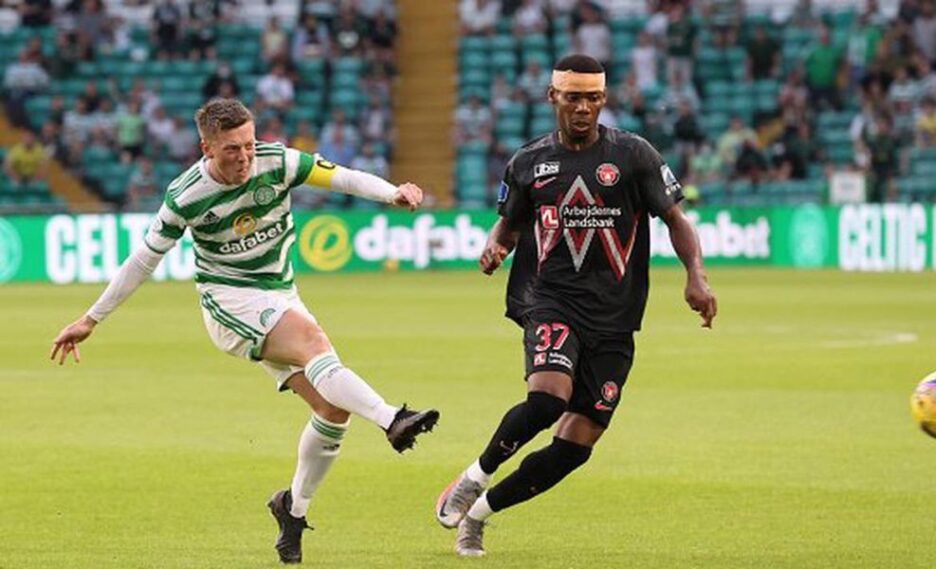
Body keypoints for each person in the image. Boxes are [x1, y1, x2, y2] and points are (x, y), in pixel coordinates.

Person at [49, 98, 440, 565]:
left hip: (281, 293)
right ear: (207, 148)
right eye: (232, 149)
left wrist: (392, 193)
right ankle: (393, 419)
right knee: (315, 345)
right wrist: (92, 318)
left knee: (333, 409)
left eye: (249, 144)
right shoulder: (186, 195)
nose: (245, 157)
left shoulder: (278, 161)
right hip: (230, 300)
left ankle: (293, 509)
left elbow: (342, 178)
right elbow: (143, 260)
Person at [434, 55, 717, 557]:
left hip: (615, 317)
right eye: (573, 98)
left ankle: (479, 515)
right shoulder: (528, 162)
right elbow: (510, 224)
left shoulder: (634, 155)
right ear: (553, 98)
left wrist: (696, 274)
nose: (583, 107)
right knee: (547, 399)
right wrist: (496, 246)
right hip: (552, 300)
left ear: (603, 99)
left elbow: (676, 219)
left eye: (592, 98)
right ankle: (474, 477)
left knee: (575, 447)